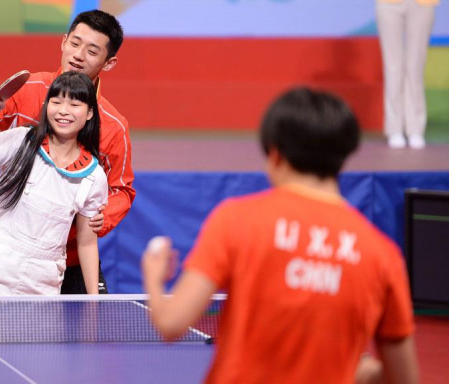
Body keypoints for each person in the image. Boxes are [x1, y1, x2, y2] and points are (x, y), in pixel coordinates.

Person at [142, 88, 418, 383]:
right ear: (343, 157)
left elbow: (170, 324)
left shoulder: (236, 220)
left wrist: (154, 276)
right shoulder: (382, 253)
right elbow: (402, 378)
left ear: (275, 154)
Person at [0, 10, 135, 294]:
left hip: (73, 258)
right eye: (75, 44)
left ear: (109, 62)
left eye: (91, 51)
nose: (78, 55)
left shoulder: (114, 126)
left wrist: (103, 216)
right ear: (63, 42)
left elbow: (121, 190)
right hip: (15, 258)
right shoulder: (28, 90)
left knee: (91, 333)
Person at [0, 72, 107, 295]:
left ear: (90, 112)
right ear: (46, 106)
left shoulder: (93, 176)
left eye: (74, 104)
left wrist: (95, 301)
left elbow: (87, 243)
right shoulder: (20, 140)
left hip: (42, 285)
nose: (63, 110)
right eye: (56, 102)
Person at [376, 0, 438, 149]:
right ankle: (394, 129)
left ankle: (415, 129)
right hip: (389, 4)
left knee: (415, 68)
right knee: (393, 67)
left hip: (422, 4)